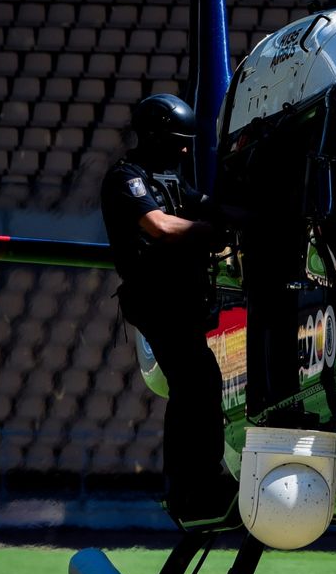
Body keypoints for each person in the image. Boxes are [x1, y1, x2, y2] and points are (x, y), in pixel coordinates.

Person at [100, 93, 240, 530]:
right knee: (195, 381)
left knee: (197, 383)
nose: (184, 149)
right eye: (178, 140)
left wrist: (254, 220)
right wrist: (209, 233)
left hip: (182, 300)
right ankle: (192, 487)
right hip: (156, 300)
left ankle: (198, 483)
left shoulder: (171, 179)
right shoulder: (128, 178)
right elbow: (158, 225)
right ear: (156, 135)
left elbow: (211, 209)